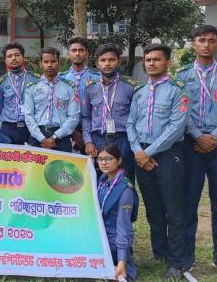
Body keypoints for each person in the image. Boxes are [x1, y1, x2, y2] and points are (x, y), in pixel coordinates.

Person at [177, 25, 217, 276]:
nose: (206, 45)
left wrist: (214, 136)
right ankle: (187, 254)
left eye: (211, 41)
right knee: (188, 201)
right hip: (191, 144)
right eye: (201, 40)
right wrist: (198, 136)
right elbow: (181, 110)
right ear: (194, 43)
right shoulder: (182, 76)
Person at [127, 43, 190, 281]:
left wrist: (149, 152)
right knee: (153, 209)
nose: (151, 63)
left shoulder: (178, 90)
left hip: (168, 154)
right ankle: (159, 253)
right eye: (148, 60)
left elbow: (176, 127)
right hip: (142, 155)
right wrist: (138, 151)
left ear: (167, 62)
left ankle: (176, 263)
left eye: (157, 59)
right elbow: (131, 123)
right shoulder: (140, 91)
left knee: (174, 210)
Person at [81, 43, 137, 183]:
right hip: (98, 141)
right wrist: (88, 141)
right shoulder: (90, 87)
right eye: (103, 60)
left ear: (119, 62)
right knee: (99, 181)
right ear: (97, 63)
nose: (107, 63)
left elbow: (136, 117)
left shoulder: (130, 86)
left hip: (123, 140)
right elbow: (86, 117)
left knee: (125, 181)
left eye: (111, 60)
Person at [97, 143, 139, 282]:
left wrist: (122, 261)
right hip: (99, 241)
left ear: (119, 160)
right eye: (100, 159)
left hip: (114, 245)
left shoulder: (125, 190)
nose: (104, 163)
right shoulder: (101, 182)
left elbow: (124, 226)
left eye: (109, 159)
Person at [24, 47, 79, 152]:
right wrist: (42, 139)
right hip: (37, 137)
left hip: (61, 136)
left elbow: (74, 117)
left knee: (62, 163)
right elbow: (28, 116)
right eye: (46, 62)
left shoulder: (70, 87)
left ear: (59, 63)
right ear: (41, 64)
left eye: (53, 61)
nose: (49, 65)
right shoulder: (32, 87)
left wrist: (55, 137)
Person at [60, 37, 100, 153]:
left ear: (87, 53)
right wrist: (73, 132)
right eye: (74, 50)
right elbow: (58, 109)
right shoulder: (61, 78)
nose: (77, 53)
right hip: (66, 132)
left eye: (81, 50)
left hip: (93, 131)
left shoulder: (98, 77)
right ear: (68, 54)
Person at [0, 42, 39, 145]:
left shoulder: (36, 80)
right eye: (9, 56)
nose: (13, 58)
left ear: (23, 58)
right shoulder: (0, 83)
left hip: (31, 127)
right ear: (5, 60)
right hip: (8, 128)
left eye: (17, 55)